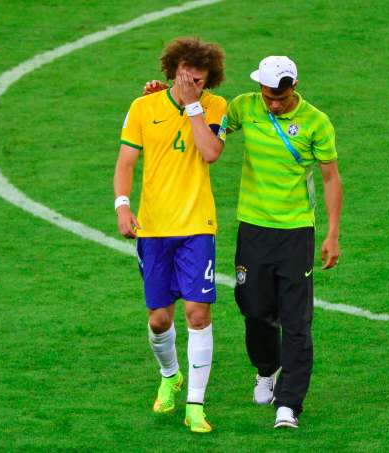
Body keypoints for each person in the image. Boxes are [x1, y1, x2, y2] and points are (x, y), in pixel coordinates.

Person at [143, 55, 342, 429]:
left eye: (281, 97)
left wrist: (332, 233)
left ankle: (289, 404)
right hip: (252, 229)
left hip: (296, 230)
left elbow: (331, 178)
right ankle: (266, 368)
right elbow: (205, 128)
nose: (274, 104)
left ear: (295, 87)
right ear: (259, 88)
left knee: (297, 320)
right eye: (268, 96)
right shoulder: (243, 108)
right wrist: (166, 94)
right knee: (253, 308)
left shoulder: (317, 122)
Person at [114, 37, 228, 434]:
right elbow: (126, 162)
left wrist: (193, 105)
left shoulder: (216, 106)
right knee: (160, 320)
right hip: (154, 229)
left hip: (197, 226)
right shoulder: (143, 107)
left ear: (208, 79)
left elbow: (210, 152)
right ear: (170, 72)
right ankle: (170, 375)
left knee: (198, 313)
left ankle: (195, 405)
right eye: (183, 77)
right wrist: (123, 206)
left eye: (198, 80)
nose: (189, 84)